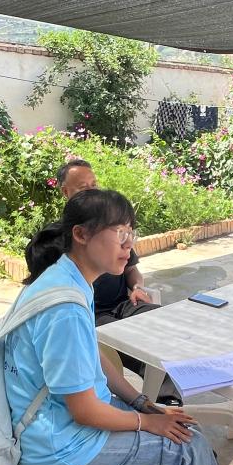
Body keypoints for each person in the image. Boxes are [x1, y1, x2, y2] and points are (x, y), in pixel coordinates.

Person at [5, 189, 233, 465]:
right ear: (81, 234)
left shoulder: (63, 281)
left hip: (47, 429)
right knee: (187, 445)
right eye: (120, 234)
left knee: (173, 424)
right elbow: (84, 410)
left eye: (132, 234)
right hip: (60, 447)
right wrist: (150, 422)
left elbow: (94, 357)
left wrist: (141, 403)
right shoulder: (64, 307)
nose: (129, 247)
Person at [58, 159, 174, 397]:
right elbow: (81, 406)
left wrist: (137, 287)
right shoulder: (60, 249)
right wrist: (140, 408)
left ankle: (166, 390)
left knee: (164, 326)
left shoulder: (111, 229)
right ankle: (162, 392)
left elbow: (131, 268)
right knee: (127, 341)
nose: (127, 244)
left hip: (124, 303)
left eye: (94, 184)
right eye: (83, 187)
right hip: (95, 315)